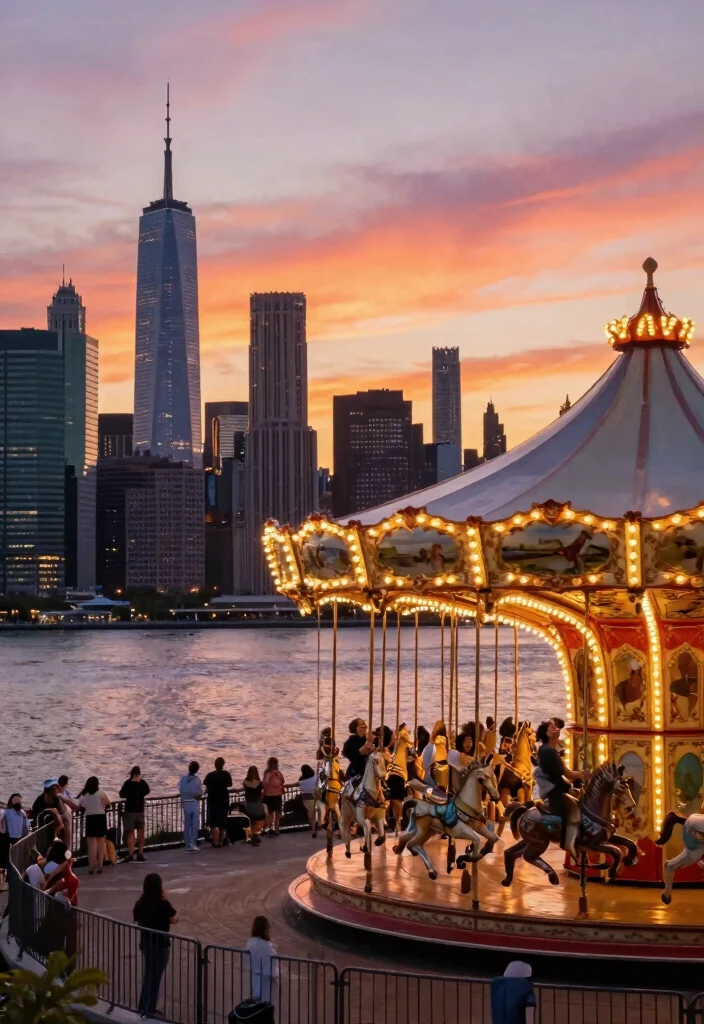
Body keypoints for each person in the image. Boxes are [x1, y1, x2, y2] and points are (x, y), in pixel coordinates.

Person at [535, 719, 589, 860]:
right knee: (575, 809)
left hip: (559, 786)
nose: (556, 728)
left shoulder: (552, 751)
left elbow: (567, 773)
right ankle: (567, 843)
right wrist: (585, 774)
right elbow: (567, 774)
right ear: (546, 734)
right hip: (554, 790)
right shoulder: (547, 751)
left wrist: (581, 775)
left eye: (555, 727)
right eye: (551, 728)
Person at [133, 873, 178, 1019]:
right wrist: (166, 898)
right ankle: (149, 1008)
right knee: (154, 978)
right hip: (160, 946)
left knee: (148, 975)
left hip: (146, 944)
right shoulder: (163, 904)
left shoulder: (140, 904)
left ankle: (143, 1006)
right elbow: (173, 919)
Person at [76, 776, 111, 874]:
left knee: (91, 844)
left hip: (90, 819)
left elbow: (79, 804)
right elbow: (108, 802)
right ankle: (100, 866)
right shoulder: (101, 793)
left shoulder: (84, 794)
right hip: (100, 818)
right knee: (101, 843)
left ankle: (91, 867)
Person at [119, 766, 150, 862]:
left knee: (130, 833)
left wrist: (130, 795)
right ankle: (140, 853)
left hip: (130, 811)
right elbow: (147, 791)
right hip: (140, 810)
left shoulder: (127, 783)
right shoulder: (142, 783)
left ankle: (131, 854)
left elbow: (121, 794)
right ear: (139, 773)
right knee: (141, 832)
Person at [246, 915, 279, 1003]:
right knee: (265, 1007)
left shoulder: (250, 942)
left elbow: (247, 962)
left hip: (254, 979)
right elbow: (271, 966)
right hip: (265, 983)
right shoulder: (265, 946)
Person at [0, 794, 29, 886]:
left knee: (10, 859)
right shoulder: (7, 812)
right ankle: (5, 879)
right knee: (6, 858)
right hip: (8, 838)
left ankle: (10, 878)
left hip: (16, 838)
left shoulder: (21, 813)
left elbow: (25, 827)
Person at [203, 757, 232, 849]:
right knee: (222, 820)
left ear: (215, 765)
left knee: (213, 821)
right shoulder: (226, 774)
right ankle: (221, 841)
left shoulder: (210, 775)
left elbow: (206, 785)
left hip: (213, 799)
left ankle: (215, 841)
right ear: (223, 765)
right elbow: (230, 784)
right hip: (223, 798)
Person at [43, 839, 80, 904]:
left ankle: (51, 892)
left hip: (68, 882)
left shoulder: (63, 863)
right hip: (70, 882)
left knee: (62, 883)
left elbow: (54, 873)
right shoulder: (66, 860)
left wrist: (45, 884)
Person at [179, 761, 203, 853]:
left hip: (185, 803)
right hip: (194, 803)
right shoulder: (197, 780)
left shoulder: (183, 779)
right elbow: (199, 793)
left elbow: (181, 789)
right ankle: (192, 844)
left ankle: (187, 844)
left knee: (187, 824)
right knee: (194, 824)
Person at [243, 767, 267, 846]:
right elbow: (261, 793)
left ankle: (249, 837)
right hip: (257, 804)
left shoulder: (245, 782)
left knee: (250, 821)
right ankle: (255, 836)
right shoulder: (259, 783)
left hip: (248, 804)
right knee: (259, 821)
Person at [262, 758, 286, 836]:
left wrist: (263, 793)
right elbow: (282, 781)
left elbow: (265, 783)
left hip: (269, 795)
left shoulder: (268, 773)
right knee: (278, 814)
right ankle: (277, 829)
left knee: (270, 814)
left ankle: (270, 828)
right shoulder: (279, 773)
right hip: (278, 795)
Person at [298, 765, 318, 830]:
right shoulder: (315, 777)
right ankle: (314, 826)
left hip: (306, 797)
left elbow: (301, 789)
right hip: (315, 796)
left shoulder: (301, 779)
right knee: (313, 811)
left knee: (310, 812)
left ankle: (312, 826)